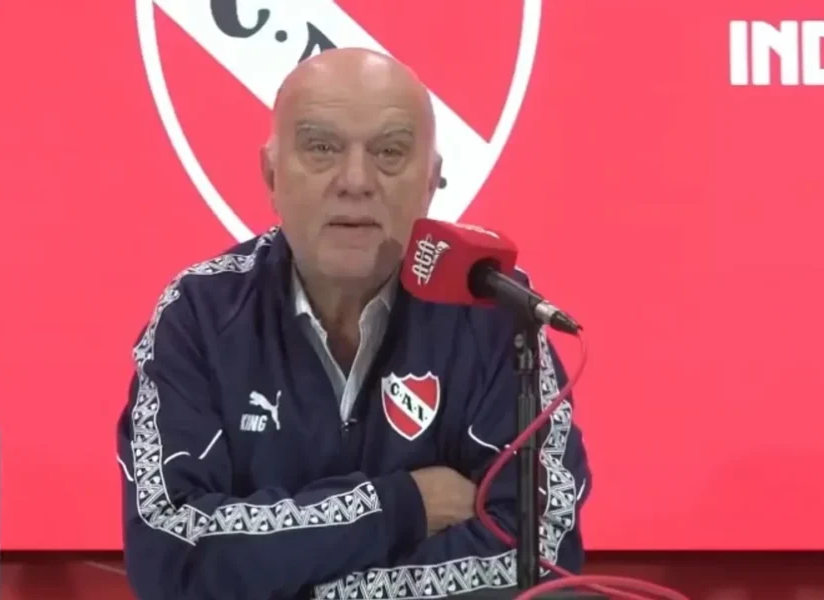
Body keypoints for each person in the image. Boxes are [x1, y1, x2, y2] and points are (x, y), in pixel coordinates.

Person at [116, 48, 591, 600]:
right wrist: (402, 506)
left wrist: (290, 583)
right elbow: (170, 554)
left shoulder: (494, 313)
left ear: (432, 180)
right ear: (271, 175)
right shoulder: (198, 313)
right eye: (322, 148)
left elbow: (538, 555)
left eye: (390, 152)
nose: (356, 180)